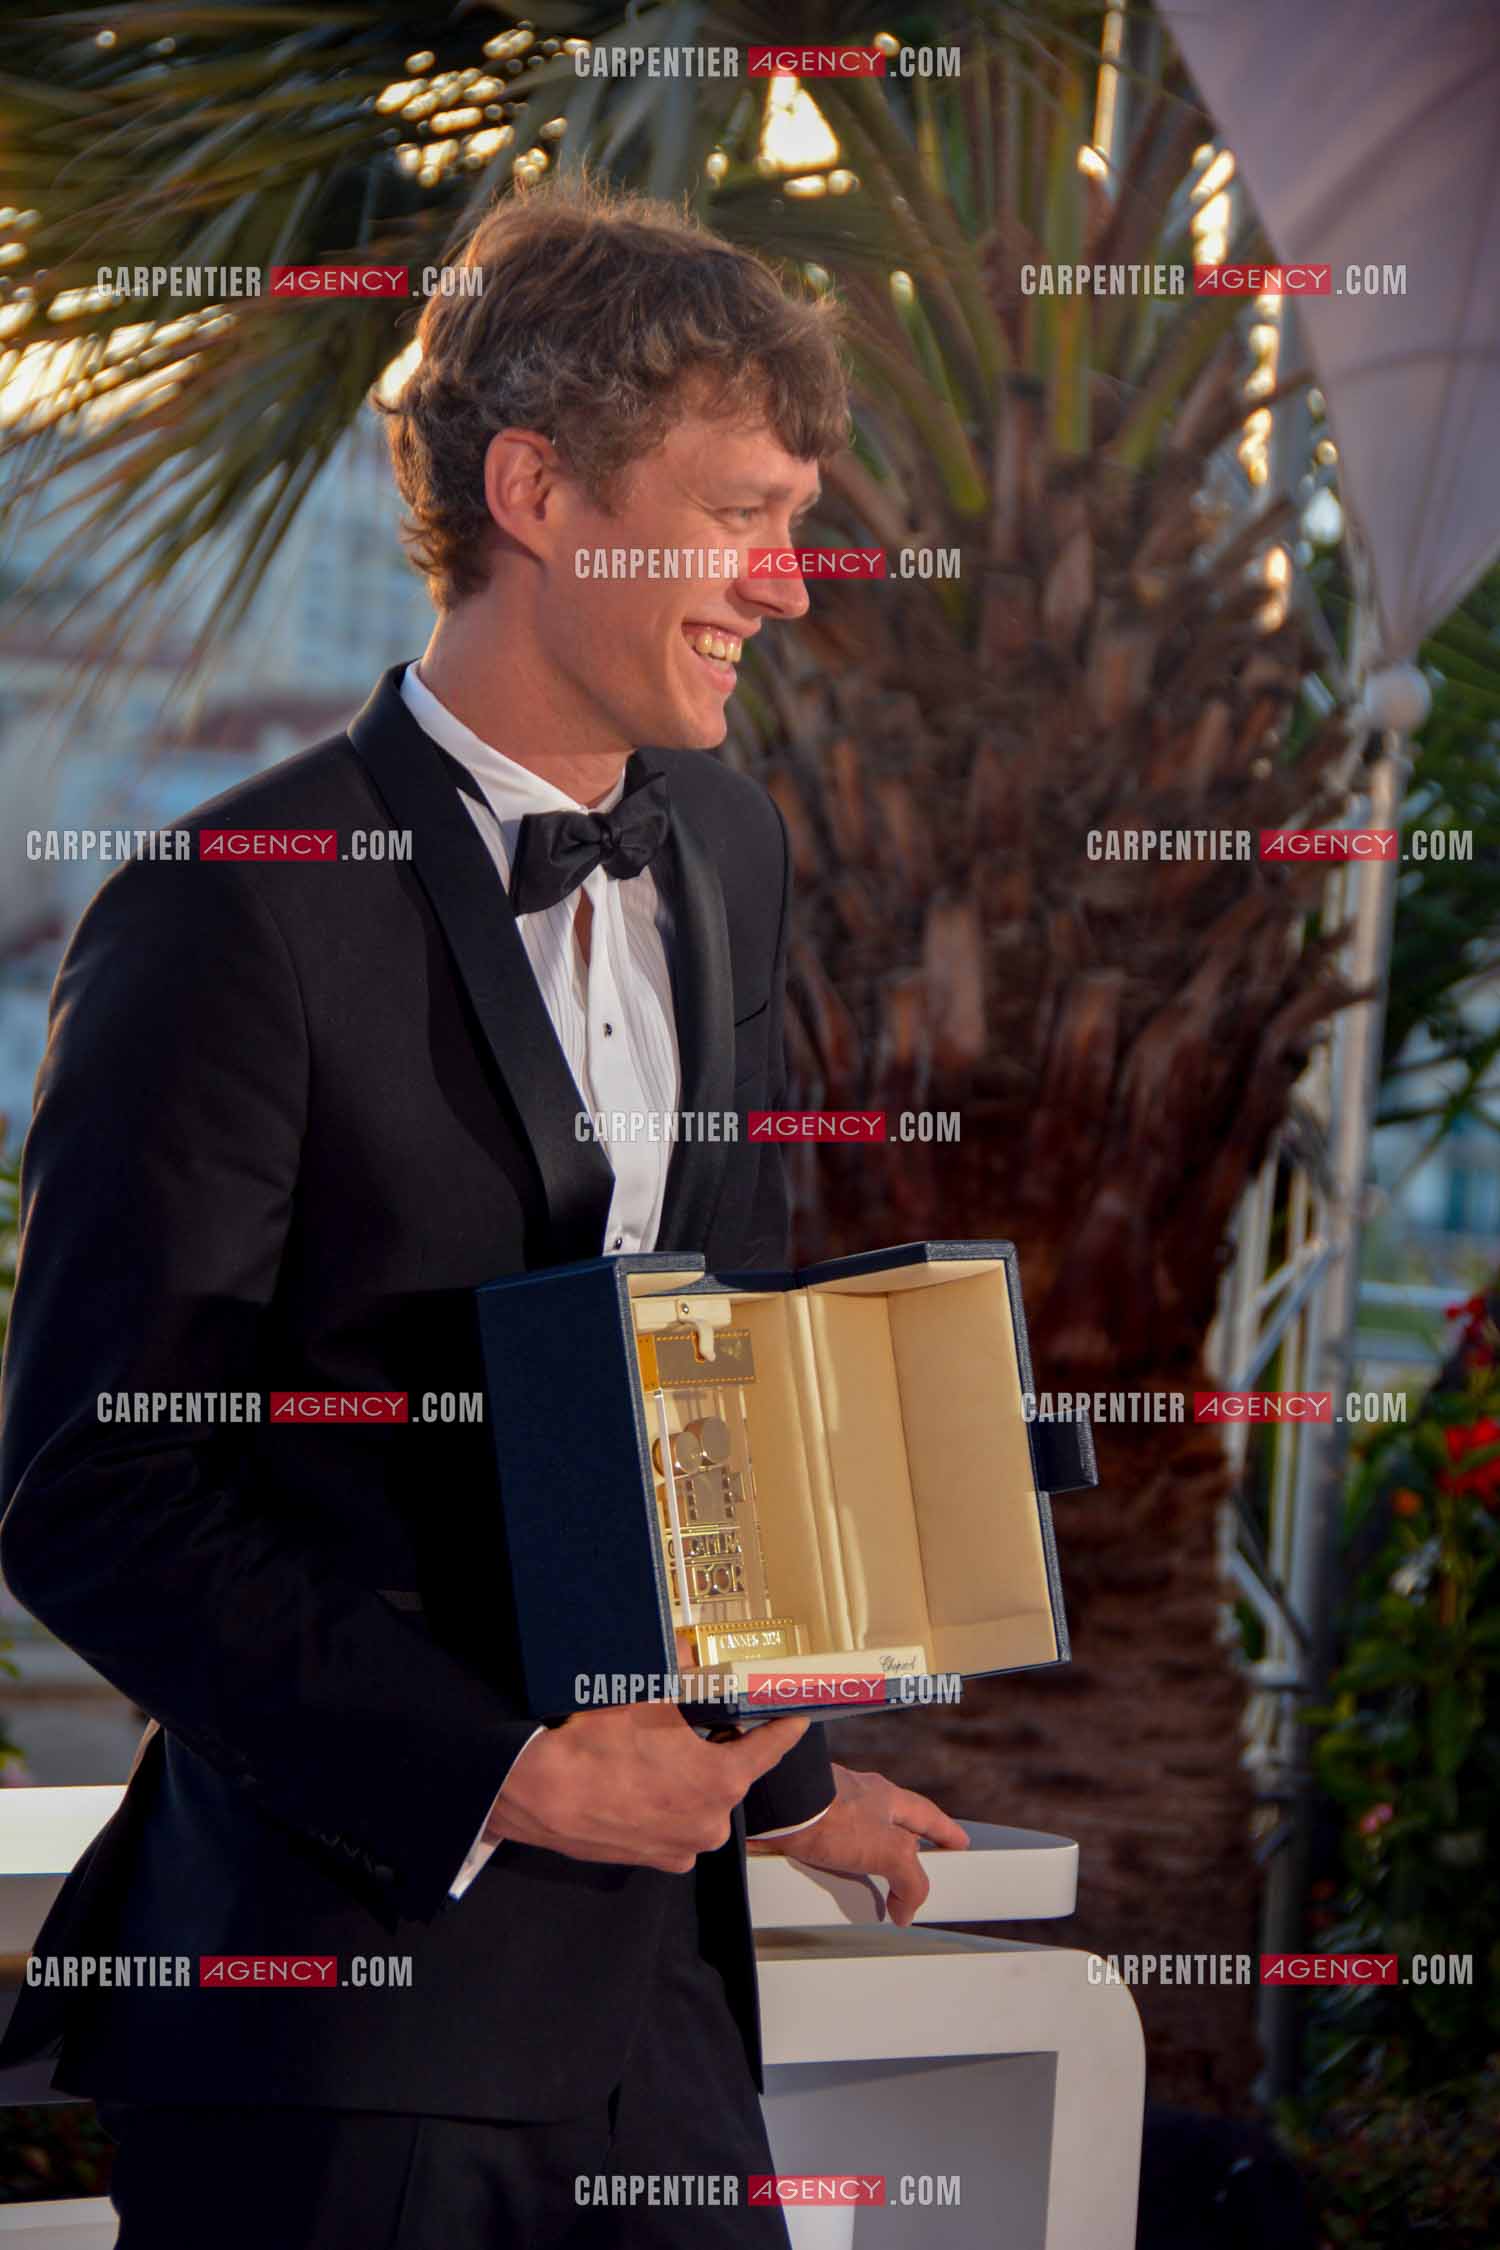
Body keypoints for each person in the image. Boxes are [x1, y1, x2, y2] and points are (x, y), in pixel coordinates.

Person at [0, 175, 967, 2247]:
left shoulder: (726, 841)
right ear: (536, 489)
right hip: (338, 2033)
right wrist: (509, 1775)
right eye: (737, 515)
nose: (786, 586)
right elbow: (95, 1489)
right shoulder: (219, 914)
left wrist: (783, 1782)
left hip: (669, 2002)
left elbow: (706, 1340)